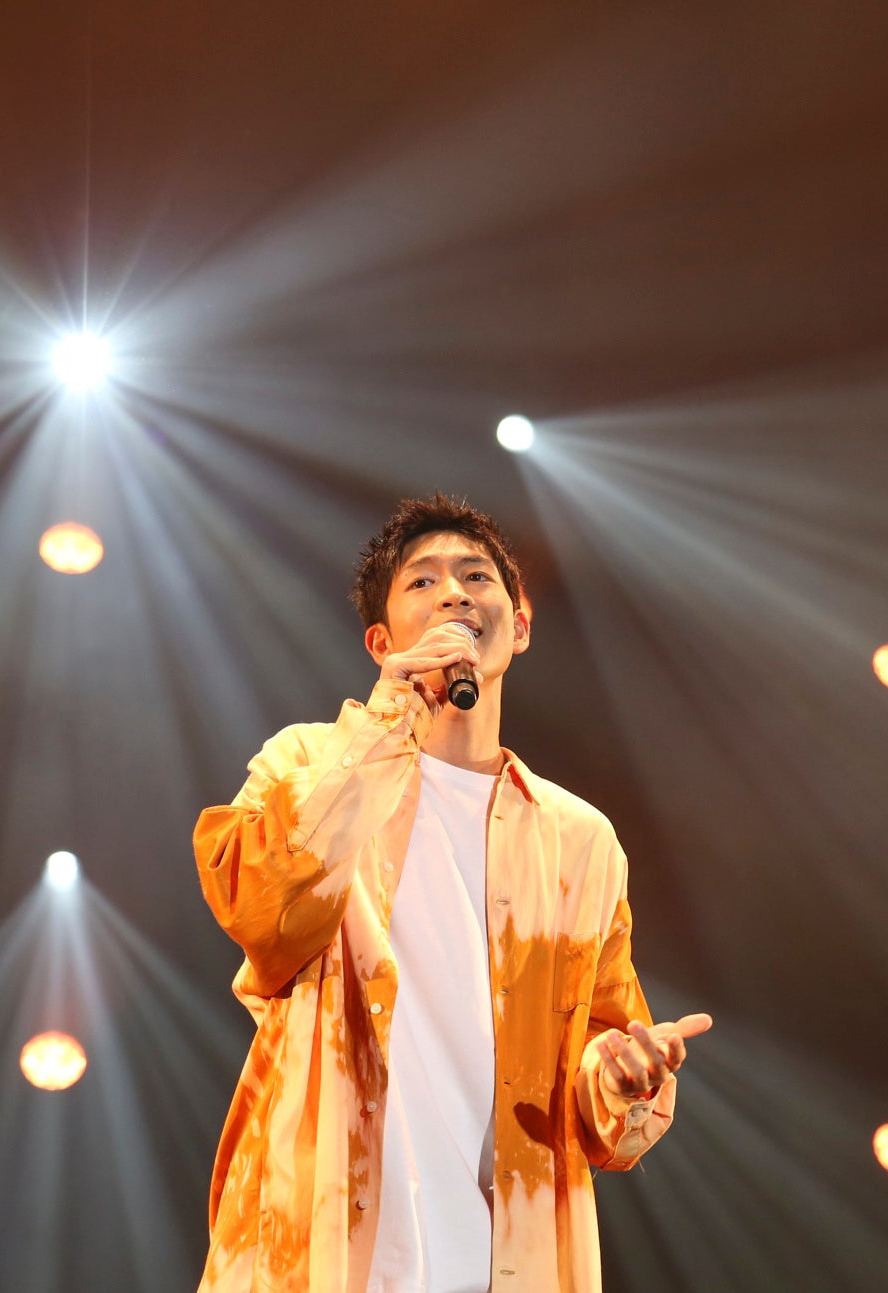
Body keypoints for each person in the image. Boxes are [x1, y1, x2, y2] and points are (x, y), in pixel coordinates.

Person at [192, 493, 712, 1293]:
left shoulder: (580, 841)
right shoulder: (311, 761)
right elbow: (257, 905)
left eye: (476, 577)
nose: (454, 594)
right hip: (326, 1249)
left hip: (507, 1262)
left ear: (520, 624)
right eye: (422, 582)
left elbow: (602, 1072)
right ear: (381, 640)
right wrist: (387, 720)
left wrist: (622, 1079)